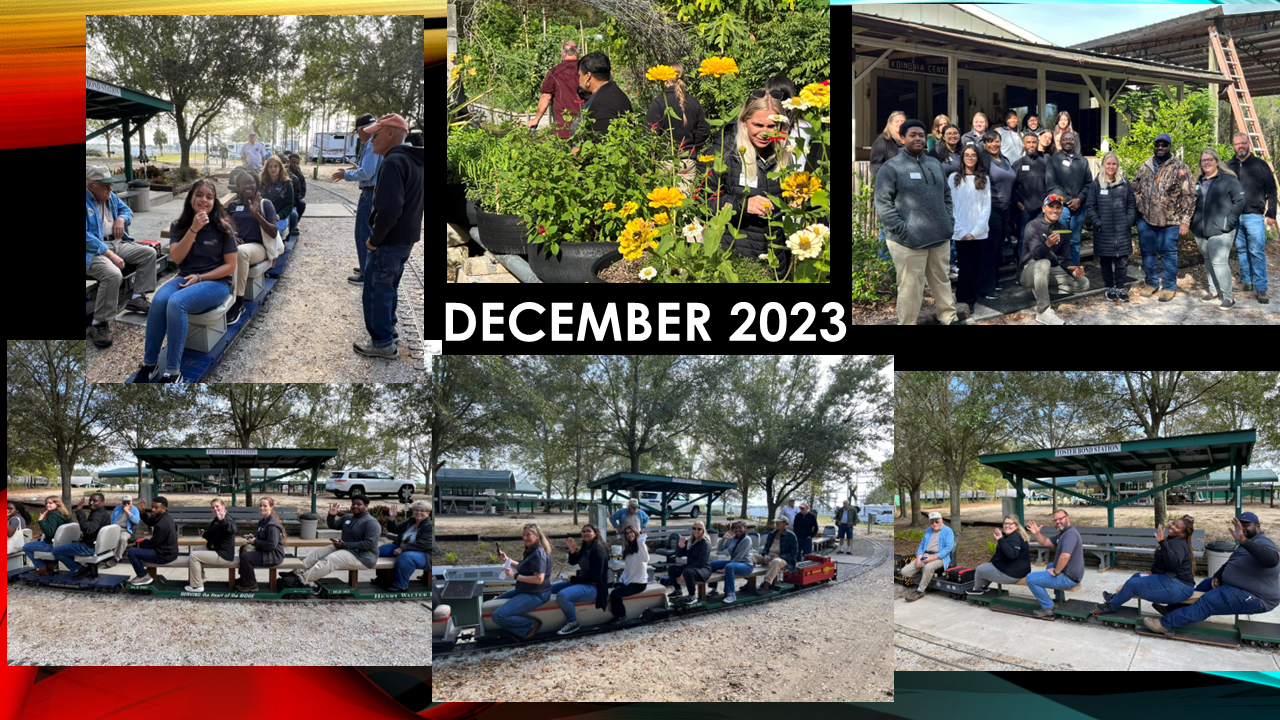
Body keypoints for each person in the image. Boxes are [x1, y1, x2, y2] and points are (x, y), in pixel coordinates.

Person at [130, 180, 237, 383]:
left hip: (217, 283)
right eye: (199, 194)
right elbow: (178, 258)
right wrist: (193, 229)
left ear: (214, 202)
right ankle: (150, 364)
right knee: (159, 301)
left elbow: (230, 266)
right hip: (185, 276)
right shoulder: (178, 226)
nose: (204, 200)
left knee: (177, 302)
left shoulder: (223, 228)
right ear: (191, 198)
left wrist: (200, 277)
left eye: (209, 196)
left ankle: (173, 371)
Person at [874, 118, 962, 326]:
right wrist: (903, 230)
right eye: (912, 135)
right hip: (907, 241)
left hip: (939, 236)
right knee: (910, 287)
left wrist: (947, 221)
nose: (918, 138)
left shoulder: (934, 163)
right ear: (902, 138)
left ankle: (948, 318)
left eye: (921, 135)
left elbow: (946, 195)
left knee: (942, 281)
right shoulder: (891, 168)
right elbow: (883, 203)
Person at [1145, 513, 1277, 637]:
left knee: (1208, 601)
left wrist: (1243, 540)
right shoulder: (1246, 544)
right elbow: (1231, 563)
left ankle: (1166, 624)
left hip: (1255, 595)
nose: (1242, 529)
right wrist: (1218, 575)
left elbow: (1272, 560)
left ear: (1258, 526)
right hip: (1233, 585)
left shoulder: (1264, 543)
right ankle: (1173, 609)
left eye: (1246, 525)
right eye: (1240, 525)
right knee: (1204, 585)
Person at [358, 113, 424, 360]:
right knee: (389, 287)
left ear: (390, 134)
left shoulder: (393, 162)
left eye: (375, 135)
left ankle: (382, 342)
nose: (371, 140)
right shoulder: (415, 160)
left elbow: (390, 209)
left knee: (376, 289)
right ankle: (389, 328)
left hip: (389, 240)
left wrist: (374, 240)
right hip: (405, 239)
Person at [704, 94, 793, 265]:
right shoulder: (722, 152)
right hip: (737, 256)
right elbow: (703, 203)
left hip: (776, 255)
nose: (765, 133)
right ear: (744, 121)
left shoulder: (784, 154)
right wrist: (743, 205)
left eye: (771, 126)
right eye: (758, 125)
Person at [85, 166, 155, 348]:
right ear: (92, 186)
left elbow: (127, 211)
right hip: (92, 251)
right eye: (106, 186)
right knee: (113, 274)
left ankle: (137, 298)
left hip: (116, 243)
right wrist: (110, 255)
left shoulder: (110, 197)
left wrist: (121, 219)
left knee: (149, 253)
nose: (111, 189)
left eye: (111, 185)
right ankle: (99, 323)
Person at [1132, 133, 1195, 301]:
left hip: (1171, 220)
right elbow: (1134, 188)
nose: (1160, 147)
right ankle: (1151, 283)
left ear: (1170, 147)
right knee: (1148, 252)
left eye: (1164, 145)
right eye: (1157, 144)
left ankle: (1169, 287)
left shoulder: (1180, 168)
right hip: (1146, 219)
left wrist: (1185, 221)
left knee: (1168, 253)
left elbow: (1189, 195)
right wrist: (1140, 204)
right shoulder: (1145, 165)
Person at [1093, 515, 1195, 616]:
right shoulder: (1173, 540)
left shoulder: (1178, 544)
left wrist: (1162, 542)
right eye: (1173, 523)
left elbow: (1173, 562)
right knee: (1137, 576)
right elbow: (1165, 563)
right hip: (1171, 579)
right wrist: (1152, 572)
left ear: (1183, 533)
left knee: (1133, 584)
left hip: (1179, 587)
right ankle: (1115, 598)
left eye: (1177, 527)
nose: (1172, 527)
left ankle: (1111, 606)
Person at [281, 495, 380, 591]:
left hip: (363, 557)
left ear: (366, 506)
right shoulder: (348, 517)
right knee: (318, 553)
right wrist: (331, 516)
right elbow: (334, 525)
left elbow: (369, 544)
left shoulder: (371, 522)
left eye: (359, 504)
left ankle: (300, 580)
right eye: (353, 504)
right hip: (346, 548)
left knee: (331, 559)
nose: (355, 506)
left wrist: (344, 545)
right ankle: (295, 573)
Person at [1018, 194, 1088, 325]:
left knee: (1083, 283)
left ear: (1062, 210)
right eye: (1051, 207)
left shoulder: (1063, 230)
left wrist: (1073, 271)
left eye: (1058, 207)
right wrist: (1048, 245)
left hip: (1047, 271)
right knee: (1044, 263)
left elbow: (1065, 259)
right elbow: (1037, 255)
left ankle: (1040, 289)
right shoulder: (1032, 225)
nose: (1055, 210)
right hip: (1028, 271)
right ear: (1044, 208)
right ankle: (1043, 311)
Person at [224, 173, 282, 326]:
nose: (247, 186)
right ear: (239, 187)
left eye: (251, 183)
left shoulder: (266, 204)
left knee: (241, 253)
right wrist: (232, 236)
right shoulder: (233, 206)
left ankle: (238, 303)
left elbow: (273, 232)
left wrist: (256, 214)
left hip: (258, 247)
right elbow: (224, 227)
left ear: (256, 184)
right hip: (236, 246)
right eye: (243, 184)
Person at [1191, 148, 1246, 310]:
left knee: (1219, 262)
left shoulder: (1228, 179)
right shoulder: (1198, 181)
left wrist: (1228, 223)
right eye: (1203, 160)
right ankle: (1214, 291)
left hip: (1221, 230)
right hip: (1200, 230)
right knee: (1208, 260)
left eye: (1209, 159)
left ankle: (1229, 297)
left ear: (1216, 161)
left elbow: (1240, 201)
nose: (1206, 162)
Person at [331, 113, 382, 284]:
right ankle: (366, 265)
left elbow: (367, 172)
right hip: (376, 190)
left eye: (358, 132)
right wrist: (357, 168)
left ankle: (366, 273)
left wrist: (346, 174)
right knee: (369, 231)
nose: (358, 136)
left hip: (370, 192)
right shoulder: (378, 140)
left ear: (363, 130)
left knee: (362, 231)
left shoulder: (371, 143)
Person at [1227, 131, 1277, 304]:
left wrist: (1271, 214)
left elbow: (1272, 190)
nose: (1240, 146)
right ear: (1233, 145)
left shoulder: (1260, 165)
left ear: (1248, 143)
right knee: (1241, 250)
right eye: (1237, 143)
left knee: (1256, 251)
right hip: (1235, 217)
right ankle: (1246, 282)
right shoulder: (1229, 166)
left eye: (1243, 143)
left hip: (1254, 216)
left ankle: (1261, 287)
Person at [1085, 151, 1137, 302]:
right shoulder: (1096, 184)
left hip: (1122, 230)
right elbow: (1090, 206)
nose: (1111, 166)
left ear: (1117, 166)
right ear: (1103, 165)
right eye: (1108, 163)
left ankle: (1121, 286)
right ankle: (1110, 287)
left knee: (1122, 261)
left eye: (1114, 163)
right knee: (1106, 261)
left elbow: (1131, 204)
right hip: (1104, 231)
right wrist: (1098, 223)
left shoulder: (1125, 183)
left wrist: (1128, 221)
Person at [491, 524, 554, 639]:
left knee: (498, 615)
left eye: (528, 535)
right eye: (523, 535)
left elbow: (539, 579)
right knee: (494, 603)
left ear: (537, 536)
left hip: (537, 593)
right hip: (524, 589)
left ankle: (531, 624)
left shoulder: (538, 553)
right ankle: (510, 627)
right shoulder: (531, 550)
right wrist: (507, 560)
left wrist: (515, 576)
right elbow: (522, 566)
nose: (525, 538)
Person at [1024, 510, 1085, 618]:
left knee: (1030, 578)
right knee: (1050, 566)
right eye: (1055, 520)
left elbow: (1065, 555)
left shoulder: (1070, 534)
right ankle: (1059, 598)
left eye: (1060, 519)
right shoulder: (1064, 534)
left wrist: (1056, 572)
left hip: (1069, 578)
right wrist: (1036, 534)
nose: (1058, 522)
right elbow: (1045, 542)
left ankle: (1047, 607)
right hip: (1070, 574)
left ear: (1067, 518)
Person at [645, 62, 710, 162]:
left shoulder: (659, 102)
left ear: (666, 79)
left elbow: (650, 133)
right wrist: (692, 147)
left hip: (665, 160)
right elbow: (704, 129)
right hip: (688, 160)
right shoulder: (693, 102)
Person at [1043, 131, 1091, 267]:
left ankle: (1074, 269)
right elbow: (1051, 185)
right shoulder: (1053, 161)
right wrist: (1069, 200)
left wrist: (1079, 199)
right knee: (1059, 238)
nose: (1068, 142)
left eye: (1071, 139)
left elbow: (1088, 183)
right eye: (1065, 140)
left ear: (1074, 141)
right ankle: (1058, 269)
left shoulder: (1083, 161)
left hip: (1079, 207)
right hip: (1060, 208)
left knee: (1075, 240)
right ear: (1060, 142)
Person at [552, 523, 610, 634]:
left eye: (588, 531)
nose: (585, 533)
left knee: (563, 595)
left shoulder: (598, 550)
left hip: (595, 587)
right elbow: (573, 562)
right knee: (552, 588)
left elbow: (595, 576)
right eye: (583, 531)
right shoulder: (585, 546)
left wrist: (574, 579)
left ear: (596, 533)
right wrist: (572, 550)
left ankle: (572, 623)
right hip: (583, 582)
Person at [979, 131, 1015, 296]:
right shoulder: (984, 160)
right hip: (991, 208)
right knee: (989, 248)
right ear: (985, 144)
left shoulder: (1005, 160)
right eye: (990, 142)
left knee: (998, 246)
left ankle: (994, 282)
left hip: (1005, 209)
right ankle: (986, 287)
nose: (994, 144)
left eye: (997, 141)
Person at [528, 41, 585, 139]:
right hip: (585, 126)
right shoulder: (587, 71)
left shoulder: (556, 72)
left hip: (563, 129)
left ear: (562, 53)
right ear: (577, 53)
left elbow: (546, 97)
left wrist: (536, 119)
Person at [569, 52, 632, 139]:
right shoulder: (614, 92)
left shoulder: (602, 103)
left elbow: (599, 141)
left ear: (588, 76)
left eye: (580, 75)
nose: (579, 80)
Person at [375, 501, 433, 592]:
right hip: (403, 547)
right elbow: (394, 529)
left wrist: (403, 548)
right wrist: (392, 517)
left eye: (422, 510)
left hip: (425, 554)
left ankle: (401, 585)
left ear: (428, 513)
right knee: (382, 550)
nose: (418, 512)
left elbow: (425, 543)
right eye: (416, 510)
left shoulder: (429, 526)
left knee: (406, 557)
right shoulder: (411, 521)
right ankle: (382, 578)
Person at [51, 492, 112, 578]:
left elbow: (88, 530)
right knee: (71, 545)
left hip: (89, 548)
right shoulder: (104, 513)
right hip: (101, 547)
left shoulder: (97, 514)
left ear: (102, 503)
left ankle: (80, 569)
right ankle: (88, 568)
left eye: (95, 501)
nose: (91, 503)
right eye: (90, 500)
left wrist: (80, 511)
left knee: (56, 550)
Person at [966, 515, 1031, 595]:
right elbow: (998, 555)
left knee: (979, 570)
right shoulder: (1013, 535)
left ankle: (976, 589)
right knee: (987, 568)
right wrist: (989, 564)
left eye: (1010, 524)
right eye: (1005, 523)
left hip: (1013, 574)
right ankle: (984, 587)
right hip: (1019, 570)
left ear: (1016, 525)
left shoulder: (1014, 537)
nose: (1007, 526)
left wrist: (1001, 540)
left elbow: (1013, 555)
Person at [233, 496, 286, 593]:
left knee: (246, 557)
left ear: (271, 507)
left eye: (265, 506)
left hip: (274, 555)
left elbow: (271, 545)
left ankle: (251, 585)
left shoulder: (272, 525)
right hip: (266, 551)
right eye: (260, 506)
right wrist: (254, 537)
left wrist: (255, 541)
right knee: (243, 549)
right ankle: (245, 579)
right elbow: (264, 537)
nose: (262, 508)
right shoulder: (262, 522)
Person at [933, 123, 965, 278]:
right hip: (943, 196)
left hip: (962, 196)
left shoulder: (963, 151)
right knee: (948, 229)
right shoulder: (936, 152)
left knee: (959, 228)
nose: (953, 136)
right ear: (943, 136)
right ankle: (947, 264)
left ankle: (955, 262)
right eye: (949, 133)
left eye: (956, 133)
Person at [185, 498, 238, 593]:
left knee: (194, 556)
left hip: (223, 555)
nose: (215, 509)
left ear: (223, 507)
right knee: (196, 549)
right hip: (216, 549)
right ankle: (201, 577)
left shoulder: (227, 519)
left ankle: (197, 586)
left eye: (217, 506)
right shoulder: (217, 519)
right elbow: (213, 535)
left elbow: (231, 530)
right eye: (213, 507)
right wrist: (204, 533)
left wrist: (223, 521)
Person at [126, 497, 179, 586]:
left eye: (156, 507)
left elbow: (153, 544)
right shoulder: (164, 517)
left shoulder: (161, 525)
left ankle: (143, 576)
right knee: (140, 545)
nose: (152, 509)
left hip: (164, 555)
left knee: (132, 552)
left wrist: (141, 544)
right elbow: (150, 521)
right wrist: (142, 511)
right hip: (168, 551)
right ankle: (143, 572)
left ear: (163, 509)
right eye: (152, 507)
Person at [605, 525, 650, 625]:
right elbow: (628, 569)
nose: (630, 535)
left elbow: (646, 559)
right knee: (611, 586)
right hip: (629, 581)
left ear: (635, 533)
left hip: (639, 583)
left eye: (631, 532)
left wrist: (641, 541)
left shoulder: (641, 547)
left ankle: (621, 615)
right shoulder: (628, 549)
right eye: (627, 533)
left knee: (615, 594)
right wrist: (621, 580)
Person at [1013, 132, 1048, 262]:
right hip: (1024, 209)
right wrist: (1017, 203)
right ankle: (1021, 269)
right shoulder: (1018, 164)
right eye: (1028, 142)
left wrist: (1046, 205)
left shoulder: (1044, 164)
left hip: (1041, 209)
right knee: (1023, 238)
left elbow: (1049, 185)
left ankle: (1040, 267)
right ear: (1024, 144)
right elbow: (1012, 187)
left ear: (1037, 143)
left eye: (1034, 142)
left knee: (1041, 238)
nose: (1031, 145)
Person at [902, 512, 953, 602]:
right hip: (925, 555)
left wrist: (932, 558)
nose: (934, 524)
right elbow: (921, 546)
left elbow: (947, 549)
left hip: (940, 557)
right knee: (905, 571)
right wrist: (918, 559)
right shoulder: (928, 531)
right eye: (932, 522)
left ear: (941, 520)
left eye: (937, 522)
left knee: (928, 567)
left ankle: (920, 590)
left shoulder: (948, 531)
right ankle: (926, 581)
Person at [23, 496, 73, 576]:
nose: (47, 505)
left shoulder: (52, 515)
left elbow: (49, 532)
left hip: (50, 545)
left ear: (57, 504)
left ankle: (42, 568)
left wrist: (41, 521)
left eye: (50, 503)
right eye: (46, 503)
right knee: (39, 543)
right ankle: (49, 567)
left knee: (26, 547)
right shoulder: (64, 514)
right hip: (62, 544)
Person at [665, 520, 712, 604]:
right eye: (694, 528)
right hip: (692, 567)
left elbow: (701, 562)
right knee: (671, 568)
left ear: (703, 530)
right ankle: (678, 590)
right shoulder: (690, 541)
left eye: (699, 529)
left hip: (703, 569)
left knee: (687, 572)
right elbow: (678, 555)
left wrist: (684, 572)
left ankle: (692, 595)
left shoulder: (705, 543)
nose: (696, 531)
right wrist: (680, 547)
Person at [709, 521, 753, 604]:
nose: (737, 529)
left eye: (740, 528)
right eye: (736, 528)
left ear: (745, 529)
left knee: (729, 567)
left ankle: (731, 594)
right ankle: (713, 589)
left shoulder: (747, 540)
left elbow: (739, 557)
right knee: (713, 564)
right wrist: (723, 539)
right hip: (733, 563)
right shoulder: (732, 539)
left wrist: (724, 569)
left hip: (746, 565)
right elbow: (720, 549)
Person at [759, 516, 800, 592]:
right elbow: (766, 547)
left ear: (785, 524)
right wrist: (765, 555)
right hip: (769, 556)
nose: (776, 523)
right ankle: (749, 581)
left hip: (782, 559)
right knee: (752, 557)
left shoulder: (791, 536)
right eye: (776, 522)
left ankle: (766, 585)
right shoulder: (772, 534)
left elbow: (794, 553)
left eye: (779, 522)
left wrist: (779, 556)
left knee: (776, 562)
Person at [260, 156, 294, 243]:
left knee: (275, 231)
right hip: (263, 216)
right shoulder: (261, 183)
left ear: (280, 167)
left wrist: (280, 215)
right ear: (266, 168)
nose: (273, 169)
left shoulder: (287, 184)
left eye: (275, 166)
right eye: (270, 167)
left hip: (279, 217)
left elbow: (289, 205)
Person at [868, 111, 905, 179]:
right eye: (897, 121)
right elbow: (876, 166)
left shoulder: (908, 141)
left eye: (902, 121)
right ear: (890, 124)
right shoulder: (882, 141)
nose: (900, 123)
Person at [109, 495, 141, 565]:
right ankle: (106, 555)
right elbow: (111, 519)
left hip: (126, 530)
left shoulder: (135, 510)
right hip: (115, 528)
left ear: (131, 502)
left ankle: (117, 558)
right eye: (124, 503)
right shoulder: (117, 509)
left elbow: (136, 521)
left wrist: (128, 512)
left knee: (123, 539)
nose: (126, 505)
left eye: (128, 503)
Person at [286, 153, 307, 236]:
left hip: (295, 198)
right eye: (293, 162)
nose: (295, 165)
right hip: (283, 198)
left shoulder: (299, 176)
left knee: (301, 204)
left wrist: (296, 199)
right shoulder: (283, 172)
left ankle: (295, 223)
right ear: (289, 162)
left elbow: (303, 191)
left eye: (297, 163)